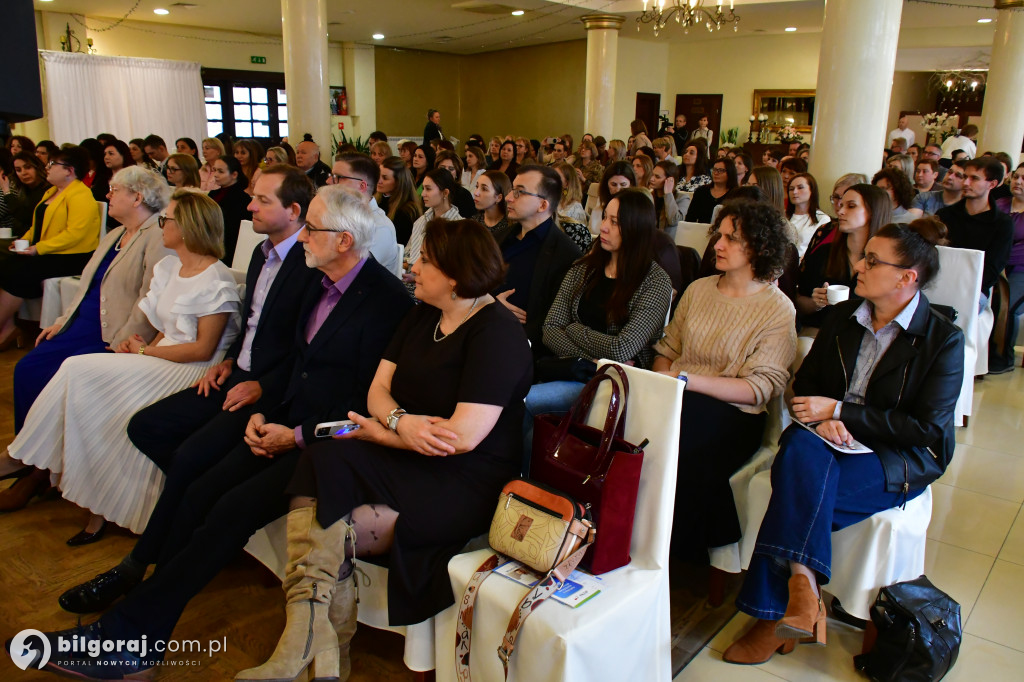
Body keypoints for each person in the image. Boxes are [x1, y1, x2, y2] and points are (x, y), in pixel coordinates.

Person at [25, 187, 415, 682]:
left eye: (311, 229)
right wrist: (264, 406)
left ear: (343, 240)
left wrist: (293, 435)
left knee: (227, 510)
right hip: (282, 424)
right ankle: (141, 610)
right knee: (200, 489)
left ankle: (132, 637)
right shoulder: (319, 279)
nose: (303, 239)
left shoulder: (385, 303)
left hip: (329, 448)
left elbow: (365, 404)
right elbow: (298, 366)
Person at [216, 218, 531, 682]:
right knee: (320, 457)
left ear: (456, 275)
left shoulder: (496, 334)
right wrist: (400, 423)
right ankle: (319, 646)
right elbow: (377, 392)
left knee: (331, 511)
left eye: (424, 260)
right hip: (407, 449)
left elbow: (459, 438)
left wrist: (384, 434)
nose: (412, 265)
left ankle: (317, 649)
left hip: (461, 475)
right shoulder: (423, 312)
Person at [724, 221, 964, 666]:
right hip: (824, 439)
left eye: (872, 261)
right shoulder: (844, 317)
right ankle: (803, 592)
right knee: (799, 449)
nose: (858, 265)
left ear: (906, 277)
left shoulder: (943, 339)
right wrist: (821, 420)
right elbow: (804, 386)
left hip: (896, 455)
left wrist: (841, 412)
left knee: (797, 491)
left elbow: (925, 429)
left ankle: (776, 613)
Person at [7, 190, 242, 543]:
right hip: (162, 357)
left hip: (193, 370)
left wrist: (145, 353)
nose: (161, 225)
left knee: (77, 370)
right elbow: (168, 325)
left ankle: (24, 460)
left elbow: (201, 348)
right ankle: (84, 496)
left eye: (168, 219)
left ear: (190, 226)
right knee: (86, 393)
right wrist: (142, 345)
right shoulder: (170, 266)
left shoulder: (217, 278)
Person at [0, 168, 173, 508]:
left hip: (111, 333)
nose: (107, 196)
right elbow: (86, 287)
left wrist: (126, 339)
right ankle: (31, 458)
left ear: (137, 197)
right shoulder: (115, 234)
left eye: (114, 190)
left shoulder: (157, 236)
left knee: (49, 376)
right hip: (82, 323)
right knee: (28, 370)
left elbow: (150, 295)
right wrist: (62, 320)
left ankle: (36, 471)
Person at [653, 199, 796, 560]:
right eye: (720, 234)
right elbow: (667, 350)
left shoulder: (777, 309)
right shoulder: (700, 289)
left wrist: (685, 381)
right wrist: (661, 385)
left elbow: (758, 388)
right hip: (681, 396)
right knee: (624, 418)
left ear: (760, 248)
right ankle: (620, 531)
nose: (718, 244)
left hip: (734, 414)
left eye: (732, 238)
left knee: (683, 436)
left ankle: (670, 550)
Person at [524, 187, 672, 442]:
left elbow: (622, 349)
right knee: (516, 402)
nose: (603, 227)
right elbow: (550, 329)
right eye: (605, 217)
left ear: (636, 228)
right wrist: (589, 363)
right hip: (573, 370)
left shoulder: (655, 282)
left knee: (526, 401)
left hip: (618, 385)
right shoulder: (584, 268)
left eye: (615, 222)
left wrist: (573, 329)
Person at [0, 147, 100, 350]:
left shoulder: (80, 194)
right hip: (50, 252)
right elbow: (37, 225)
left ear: (68, 170)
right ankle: (8, 327)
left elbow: (76, 234)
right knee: (5, 265)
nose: (47, 168)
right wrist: (25, 241)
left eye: (52, 164)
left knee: (19, 272)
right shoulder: (53, 191)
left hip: (72, 256)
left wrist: (39, 248)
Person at [494, 166, 582, 354]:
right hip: (484, 328)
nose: (509, 197)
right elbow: (474, 283)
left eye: (519, 192)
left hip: (523, 348)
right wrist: (490, 304)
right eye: (511, 190)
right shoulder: (499, 238)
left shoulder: (566, 255)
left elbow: (552, 322)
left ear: (543, 205)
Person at [797, 184, 891, 332]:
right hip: (819, 332)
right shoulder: (823, 253)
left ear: (873, 212)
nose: (840, 211)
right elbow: (799, 302)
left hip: (862, 336)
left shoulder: (887, 262)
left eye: (851, 206)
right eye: (840, 205)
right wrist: (816, 303)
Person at [936, 156, 1013, 303]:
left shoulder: (1002, 224)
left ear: (992, 184)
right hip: (940, 281)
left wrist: (960, 286)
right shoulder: (945, 215)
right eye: (965, 177)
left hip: (975, 289)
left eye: (974, 178)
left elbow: (992, 270)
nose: (965, 182)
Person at [328, 153, 400, 275]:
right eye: (331, 176)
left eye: (338, 177)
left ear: (362, 186)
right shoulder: (338, 216)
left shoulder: (379, 227)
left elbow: (352, 273)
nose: (329, 181)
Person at [990, 163, 1024, 373]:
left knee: (1007, 305)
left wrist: (1001, 251)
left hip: (1020, 268)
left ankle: (1004, 357)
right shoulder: (998, 204)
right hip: (995, 265)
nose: (1018, 182)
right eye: (1016, 177)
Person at [405, 168, 461, 267]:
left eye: (428, 189)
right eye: (423, 188)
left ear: (445, 193)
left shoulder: (459, 226)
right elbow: (407, 255)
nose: (423, 194)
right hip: (413, 275)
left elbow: (454, 267)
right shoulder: (420, 221)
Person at [207, 155, 252, 265]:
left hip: (229, 246)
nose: (216, 175)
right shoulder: (212, 194)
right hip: (211, 240)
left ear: (234, 174)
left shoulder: (242, 198)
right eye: (215, 170)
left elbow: (236, 229)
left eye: (221, 171)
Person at [376, 156, 422, 246]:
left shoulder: (407, 211)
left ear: (398, 182)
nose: (379, 181)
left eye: (385, 178)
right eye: (378, 175)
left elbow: (399, 244)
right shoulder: (377, 201)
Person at [0, 152, 50, 235]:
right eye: (18, 170)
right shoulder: (24, 189)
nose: (24, 173)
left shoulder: (47, 189)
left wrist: (6, 191)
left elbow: (25, 217)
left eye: (28, 167)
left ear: (37, 167)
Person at [787, 173, 830, 257]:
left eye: (800, 188)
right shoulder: (784, 216)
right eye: (791, 189)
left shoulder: (822, 219)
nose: (795, 192)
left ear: (812, 190)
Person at [686, 158, 737, 224]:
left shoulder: (735, 194)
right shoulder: (701, 191)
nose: (716, 173)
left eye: (721, 170)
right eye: (714, 169)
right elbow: (690, 218)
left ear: (730, 172)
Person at [435, 150, 476, 218]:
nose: (446, 172)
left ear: (457, 173)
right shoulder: (430, 191)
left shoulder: (464, 195)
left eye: (451, 169)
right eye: (442, 168)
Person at [471, 170, 511, 235]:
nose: (475, 193)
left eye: (484, 189)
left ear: (499, 198)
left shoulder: (510, 227)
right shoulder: (473, 223)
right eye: (477, 186)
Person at [650, 159, 682, 232]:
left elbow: (673, 221)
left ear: (669, 180)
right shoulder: (648, 196)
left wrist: (668, 194)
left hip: (667, 241)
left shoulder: (682, 198)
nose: (651, 179)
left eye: (657, 177)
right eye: (652, 175)